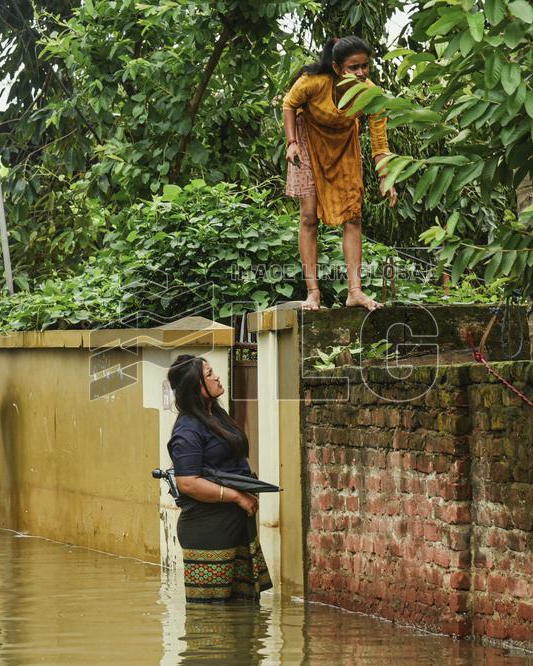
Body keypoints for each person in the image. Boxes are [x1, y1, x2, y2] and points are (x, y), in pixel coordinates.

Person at [283, 35, 398, 312]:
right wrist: (291, 142)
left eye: (364, 66)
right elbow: (289, 103)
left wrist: (386, 177)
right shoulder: (313, 81)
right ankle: (313, 294)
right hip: (308, 142)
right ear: (336, 67)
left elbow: (380, 142)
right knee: (309, 217)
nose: (360, 73)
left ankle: (355, 292)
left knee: (353, 216)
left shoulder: (370, 94)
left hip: (344, 146)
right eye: (353, 67)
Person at [166, 354, 272, 603]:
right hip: (209, 530)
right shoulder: (188, 429)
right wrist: (237, 496)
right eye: (209, 374)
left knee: (244, 609)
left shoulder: (216, 415)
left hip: (235, 525)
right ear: (196, 386)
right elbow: (188, 483)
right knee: (210, 616)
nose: (217, 377)